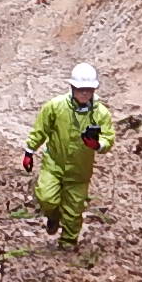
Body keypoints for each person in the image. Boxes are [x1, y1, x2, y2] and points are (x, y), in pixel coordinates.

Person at [23, 62, 115, 246]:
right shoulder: (55, 107)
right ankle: (53, 216)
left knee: (73, 212)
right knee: (46, 197)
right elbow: (41, 130)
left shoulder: (101, 113)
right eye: (81, 90)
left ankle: (67, 243)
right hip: (54, 164)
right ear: (72, 87)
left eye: (88, 90)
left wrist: (97, 145)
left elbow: (108, 138)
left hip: (80, 172)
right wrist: (29, 150)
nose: (84, 94)